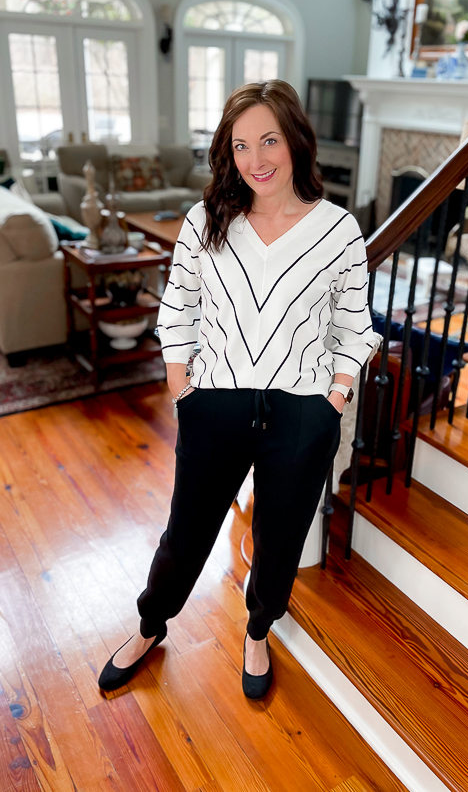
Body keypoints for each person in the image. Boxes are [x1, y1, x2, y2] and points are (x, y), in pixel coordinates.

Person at [98, 80, 381, 699]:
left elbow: (357, 330)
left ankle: (258, 629)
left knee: (280, 536)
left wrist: (331, 401)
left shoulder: (339, 231)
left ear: (295, 142)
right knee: (187, 531)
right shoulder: (207, 221)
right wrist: (183, 389)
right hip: (214, 405)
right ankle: (150, 624)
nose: (257, 158)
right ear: (229, 153)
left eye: (269, 140)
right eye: (242, 144)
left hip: (302, 411)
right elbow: (177, 310)